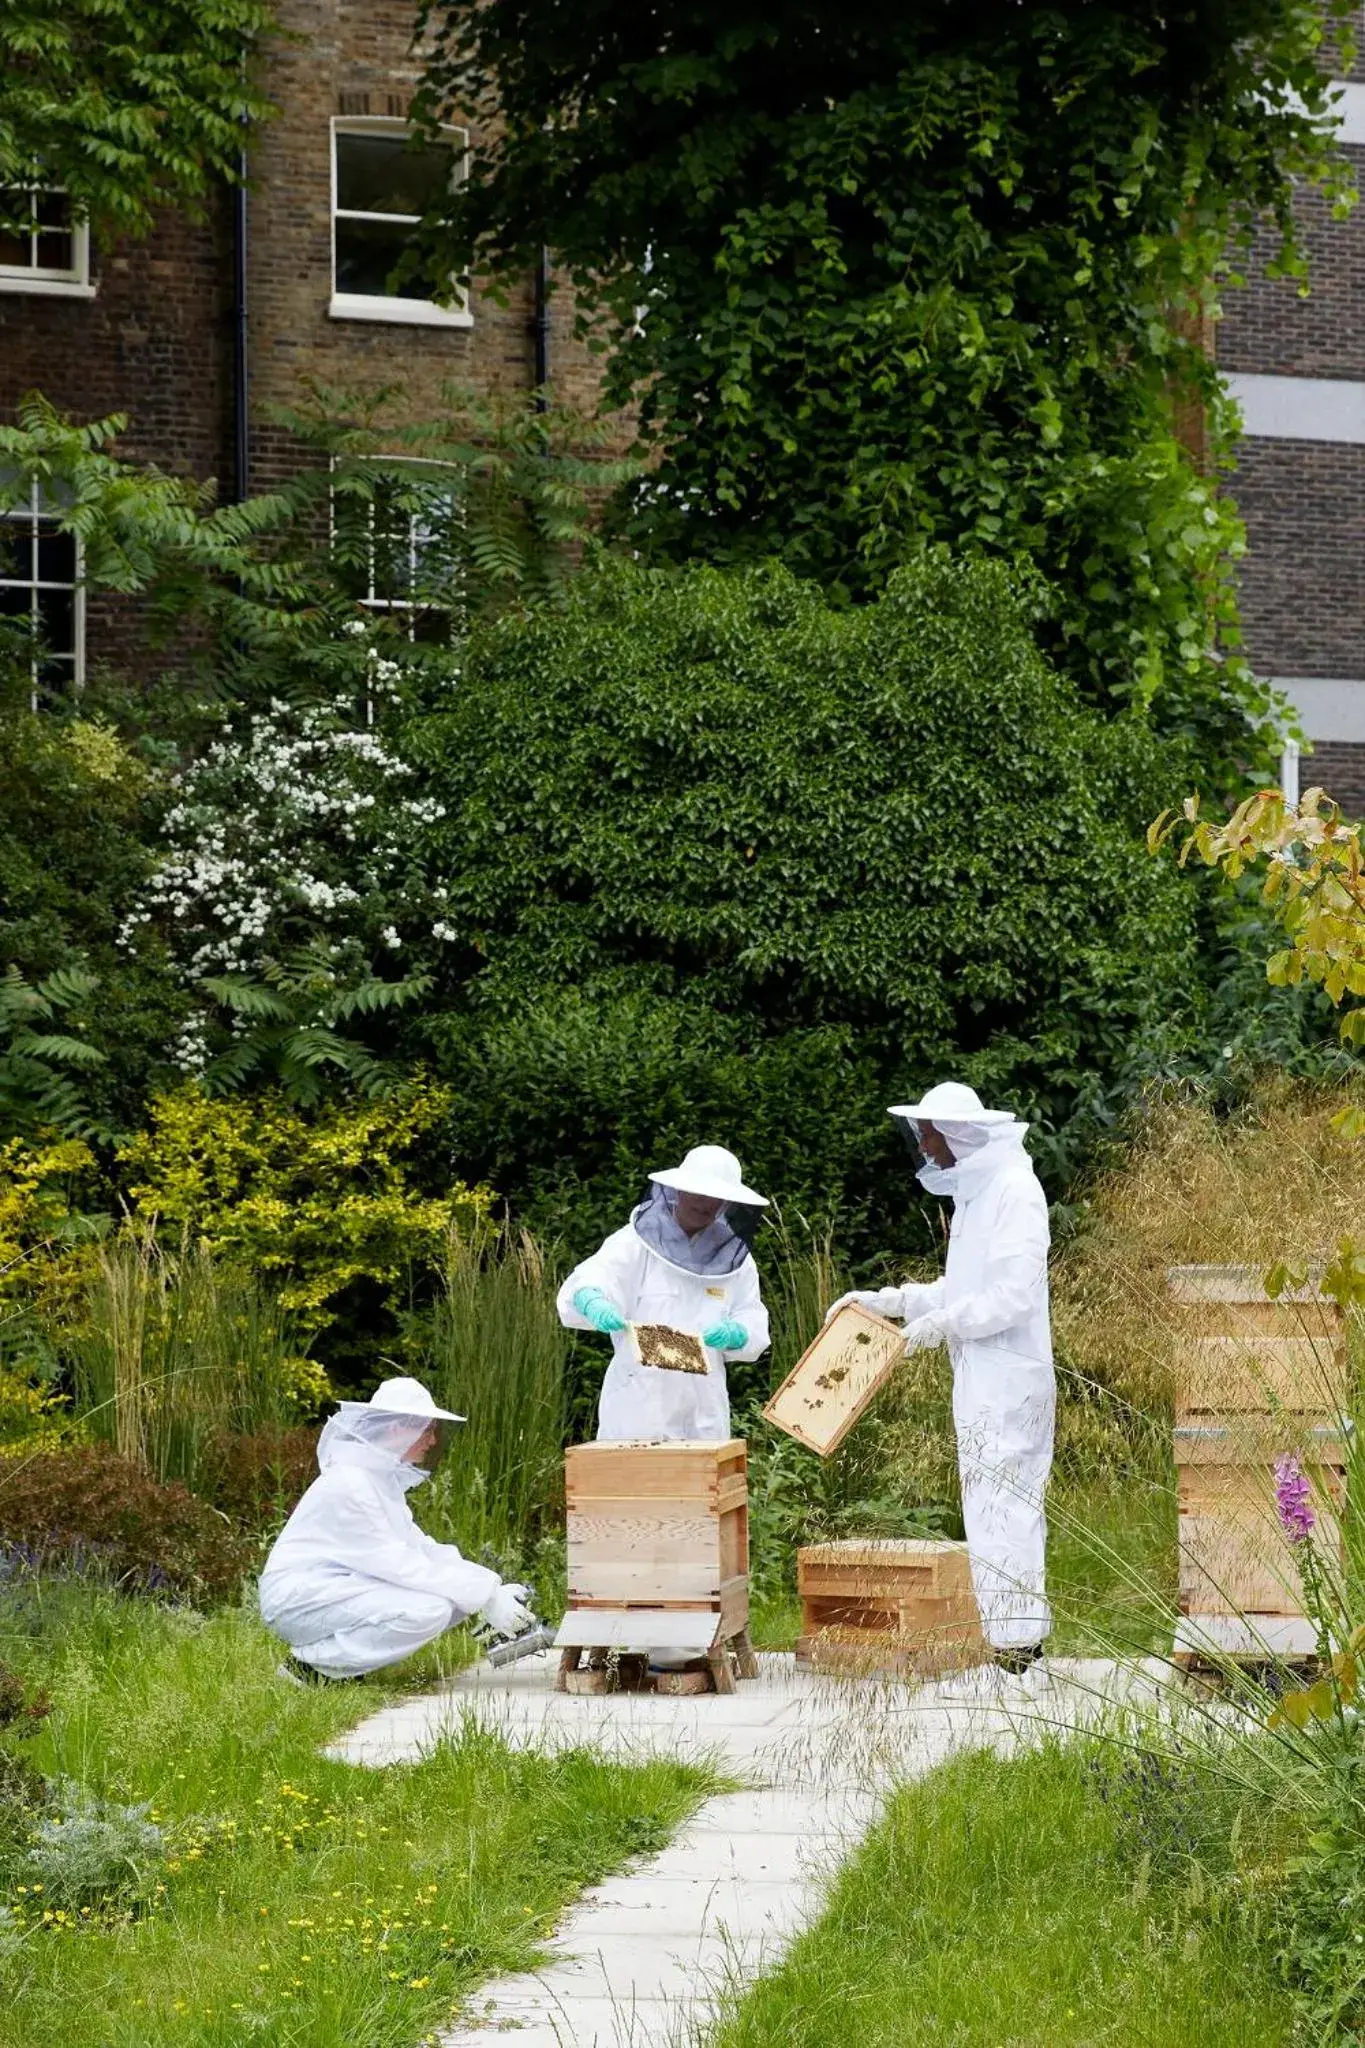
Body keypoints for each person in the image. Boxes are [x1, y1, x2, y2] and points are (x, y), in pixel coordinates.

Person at [828, 1081, 1054, 1699]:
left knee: (1007, 1511)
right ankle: (1010, 1652)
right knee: (987, 1511)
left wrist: (939, 1325)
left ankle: (1020, 1662)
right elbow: (963, 1288)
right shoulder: (979, 1198)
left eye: (930, 1132)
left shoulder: (1014, 1190)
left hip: (1010, 1379)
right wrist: (895, 1303)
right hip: (983, 1377)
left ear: (963, 1135)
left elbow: (1012, 1295)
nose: (923, 1144)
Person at [259, 1376, 534, 1683]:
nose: (432, 1441)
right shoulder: (352, 1484)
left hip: (330, 1589)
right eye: (427, 1429)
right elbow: (400, 1564)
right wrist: (485, 1595)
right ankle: (309, 1669)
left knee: (448, 1602)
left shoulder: (378, 1480)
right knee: (428, 1609)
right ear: (397, 1428)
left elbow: (419, 1547)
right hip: (298, 1599)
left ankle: (341, 1664)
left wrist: (490, 1588)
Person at [557, 1144, 771, 1442]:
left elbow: (752, 1316)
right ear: (679, 1191)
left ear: (727, 1203)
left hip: (704, 1410)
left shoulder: (738, 1262)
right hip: (638, 1404)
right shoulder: (633, 1243)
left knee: (702, 1486)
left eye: (715, 1197)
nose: (704, 1203)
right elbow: (596, 1276)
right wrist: (592, 1299)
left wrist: (739, 1332)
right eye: (697, 1193)